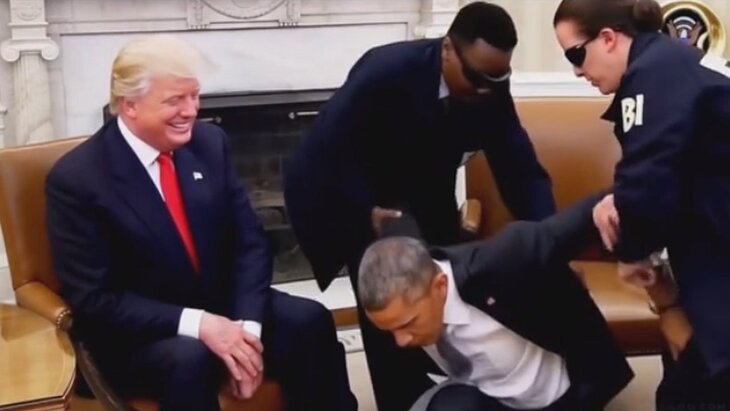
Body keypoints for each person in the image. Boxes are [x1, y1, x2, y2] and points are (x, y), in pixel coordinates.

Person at [45, 34, 357, 411]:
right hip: (136, 335)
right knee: (189, 359)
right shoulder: (77, 179)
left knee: (309, 321)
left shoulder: (209, 143)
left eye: (194, 96)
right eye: (175, 100)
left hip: (221, 306)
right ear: (130, 105)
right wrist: (201, 324)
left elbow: (249, 242)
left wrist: (248, 331)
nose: (191, 111)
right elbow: (96, 300)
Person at [284, 2, 555, 408]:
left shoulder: (489, 89)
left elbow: (520, 168)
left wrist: (550, 239)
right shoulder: (384, 71)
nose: (486, 89)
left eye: (498, 79)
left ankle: (443, 395)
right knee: (391, 303)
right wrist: (365, 209)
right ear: (447, 50)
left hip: (428, 192)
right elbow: (327, 151)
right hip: (362, 194)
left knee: (440, 295)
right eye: (477, 77)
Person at [552, 0, 730, 408]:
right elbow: (676, 167)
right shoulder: (673, 62)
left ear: (608, 39)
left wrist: (630, 249)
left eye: (576, 55)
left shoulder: (652, 74)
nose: (577, 71)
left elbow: (646, 186)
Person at [358, 195, 634, 411]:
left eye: (408, 324)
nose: (401, 341)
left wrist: (637, 254)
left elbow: (594, 213)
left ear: (439, 286)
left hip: (561, 397)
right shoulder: (402, 291)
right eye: (390, 330)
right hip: (490, 399)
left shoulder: (504, 259)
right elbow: (396, 221)